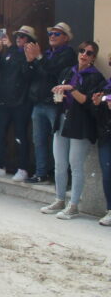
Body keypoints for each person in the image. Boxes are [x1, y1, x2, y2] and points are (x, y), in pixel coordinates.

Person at [40, 41, 105, 219]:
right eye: (82, 51)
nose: (84, 54)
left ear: (93, 58)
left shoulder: (95, 77)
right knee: (59, 164)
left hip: (80, 124)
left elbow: (87, 101)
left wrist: (71, 88)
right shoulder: (69, 71)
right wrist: (58, 93)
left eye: (89, 53)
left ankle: (74, 205)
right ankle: (59, 199)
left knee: (75, 165)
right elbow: (61, 92)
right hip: (62, 118)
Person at [24, 22, 76, 184]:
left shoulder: (68, 54)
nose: (52, 36)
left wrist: (39, 58)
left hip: (55, 104)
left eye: (57, 34)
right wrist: (30, 62)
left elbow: (54, 71)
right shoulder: (46, 54)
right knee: (38, 140)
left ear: (66, 38)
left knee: (59, 142)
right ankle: (41, 173)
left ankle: (61, 177)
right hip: (38, 103)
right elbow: (29, 77)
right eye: (50, 34)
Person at [0, 25, 35, 181]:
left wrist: (10, 47)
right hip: (4, 101)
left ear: (30, 40)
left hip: (21, 102)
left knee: (20, 136)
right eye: (17, 36)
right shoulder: (10, 53)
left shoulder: (27, 54)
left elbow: (27, 73)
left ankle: (23, 168)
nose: (18, 38)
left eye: (22, 37)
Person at [91, 62, 111, 226]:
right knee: (107, 172)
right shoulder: (105, 84)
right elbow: (96, 114)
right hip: (106, 135)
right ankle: (110, 210)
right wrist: (97, 105)